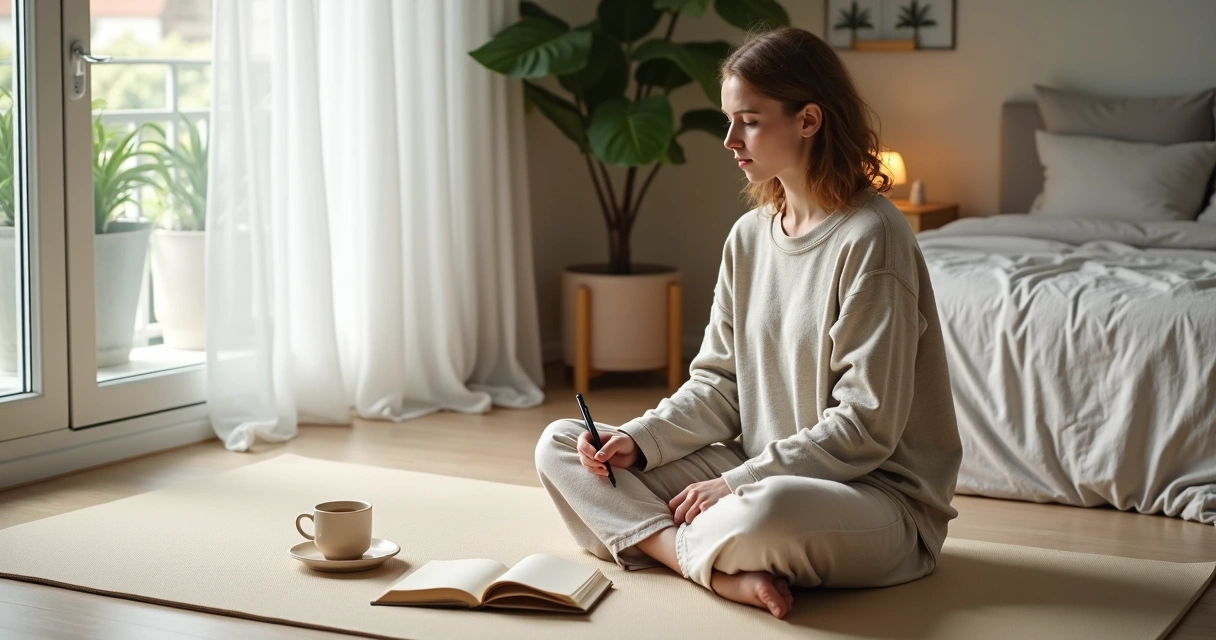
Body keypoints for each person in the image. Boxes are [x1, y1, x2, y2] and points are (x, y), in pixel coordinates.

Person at [534, 26, 962, 620]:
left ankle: (662, 544)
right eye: (729, 120)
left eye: (750, 120)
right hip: (753, 466)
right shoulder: (749, 237)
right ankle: (704, 564)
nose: (730, 139)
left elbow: (867, 425)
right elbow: (718, 385)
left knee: (764, 514)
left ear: (808, 120)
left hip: (873, 495)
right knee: (560, 446)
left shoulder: (874, 240)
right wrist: (638, 441)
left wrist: (737, 486)